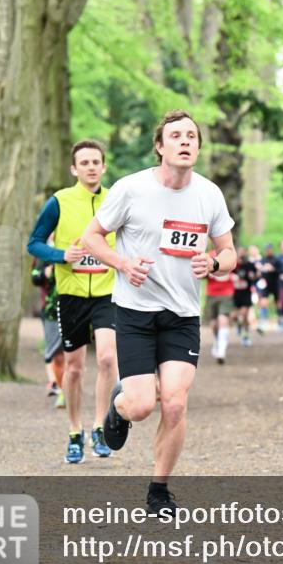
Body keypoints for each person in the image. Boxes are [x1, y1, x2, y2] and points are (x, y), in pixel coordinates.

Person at [82, 109, 236, 514]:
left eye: (191, 136)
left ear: (198, 147)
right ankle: (120, 404)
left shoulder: (209, 194)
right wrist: (122, 264)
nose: (185, 141)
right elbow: (91, 237)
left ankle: (159, 490)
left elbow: (229, 252)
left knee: (174, 402)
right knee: (141, 406)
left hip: (182, 316)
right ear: (160, 146)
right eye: (176, 135)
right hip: (135, 313)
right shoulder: (131, 189)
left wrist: (215, 264)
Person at [27, 140, 117, 464]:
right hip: (72, 294)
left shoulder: (115, 200)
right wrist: (61, 255)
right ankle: (75, 432)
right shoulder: (59, 202)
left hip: (108, 293)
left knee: (107, 358)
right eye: (85, 162)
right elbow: (33, 244)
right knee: (75, 368)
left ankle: (100, 428)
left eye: (96, 162)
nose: (91, 167)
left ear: (104, 167)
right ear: (73, 169)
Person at [31, 257, 66, 409]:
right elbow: (34, 277)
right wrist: (44, 273)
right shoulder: (44, 255)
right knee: (57, 356)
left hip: (76, 307)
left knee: (74, 356)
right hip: (51, 310)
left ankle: (71, 388)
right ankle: (62, 390)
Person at [205, 248, 235, 364]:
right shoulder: (209, 255)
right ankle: (217, 342)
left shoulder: (230, 255)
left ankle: (221, 351)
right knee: (213, 324)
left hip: (226, 294)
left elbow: (239, 270)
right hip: (211, 294)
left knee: (223, 320)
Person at [230, 244, 256, 348]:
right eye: (239, 252)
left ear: (245, 253)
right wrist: (232, 276)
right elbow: (227, 274)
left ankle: (245, 336)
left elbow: (256, 275)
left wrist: (253, 276)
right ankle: (239, 326)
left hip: (246, 293)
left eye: (243, 252)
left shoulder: (249, 265)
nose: (241, 254)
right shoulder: (233, 265)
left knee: (244, 315)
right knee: (235, 316)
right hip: (235, 293)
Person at [255, 243, 280, 334]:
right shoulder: (262, 260)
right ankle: (263, 322)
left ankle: (280, 320)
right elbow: (259, 272)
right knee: (263, 302)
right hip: (265, 284)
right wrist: (260, 269)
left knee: (277, 303)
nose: (268, 251)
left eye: (269, 249)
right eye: (267, 249)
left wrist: (272, 269)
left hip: (275, 284)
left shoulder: (277, 260)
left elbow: (280, 271)